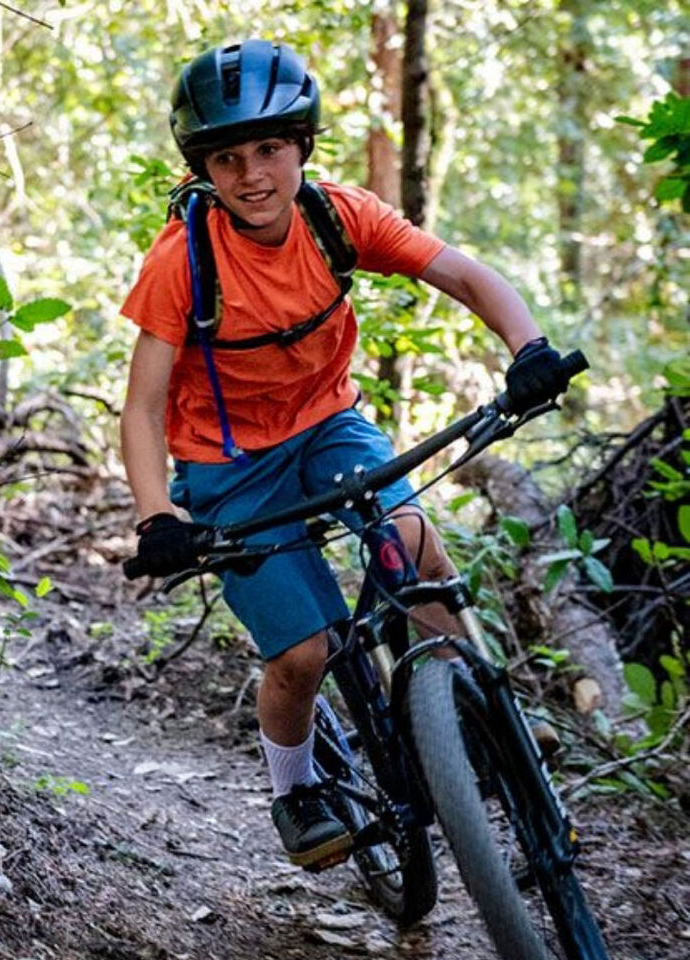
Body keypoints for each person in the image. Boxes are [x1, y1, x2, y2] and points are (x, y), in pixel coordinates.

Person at [120, 39, 567, 870]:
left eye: (270, 149)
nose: (252, 174)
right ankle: (296, 788)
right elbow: (143, 408)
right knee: (302, 654)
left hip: (329, 426)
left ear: (302, 147)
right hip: (230, 467)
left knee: (415, 545)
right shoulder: (182, 261)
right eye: (228, 157)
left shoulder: (338, 215)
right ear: (202, 169)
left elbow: (464, 275)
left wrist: (528, 346)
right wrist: (158, 516)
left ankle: (464, 712)